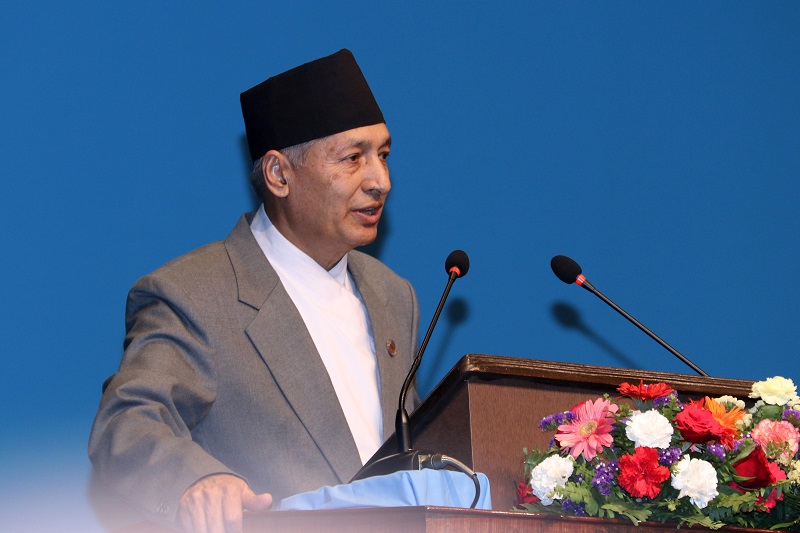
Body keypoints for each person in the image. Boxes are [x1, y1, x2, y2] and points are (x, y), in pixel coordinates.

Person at [89, 49, 420, 533]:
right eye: (354, 158)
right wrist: (195, 480)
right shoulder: (195, 294)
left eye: (383, 155)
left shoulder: (394, 295)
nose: (381, 181)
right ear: (279, 175)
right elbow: (127, 421)